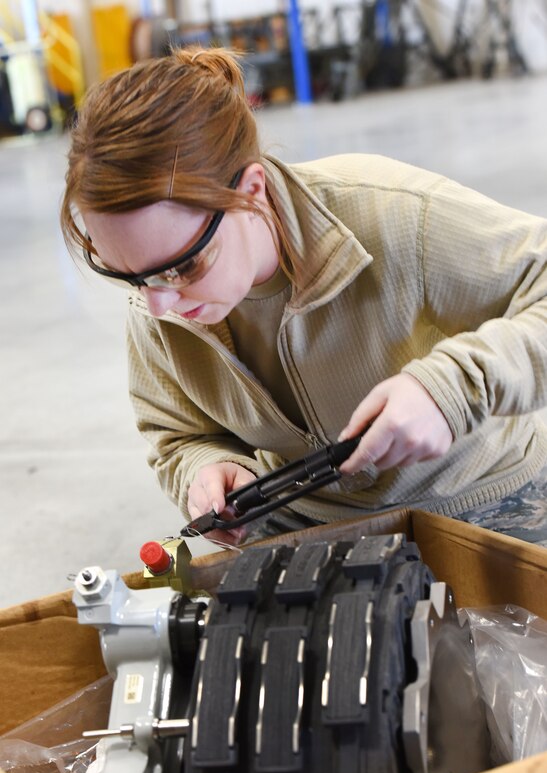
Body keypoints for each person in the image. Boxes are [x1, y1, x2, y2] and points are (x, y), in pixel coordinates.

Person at [61, 46, 547, 546]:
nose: (158, 306)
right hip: (310, 531)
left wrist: (453, 389)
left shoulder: (394, 215)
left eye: (184, 266)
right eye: (131, 277)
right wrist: (207, 469)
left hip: (486, 504)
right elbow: (177, 434)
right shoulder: (158, 288)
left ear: (250, 191)